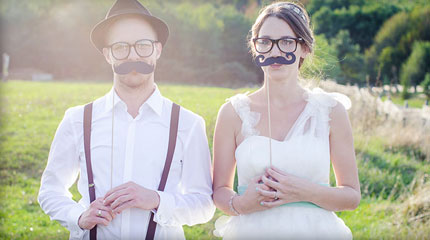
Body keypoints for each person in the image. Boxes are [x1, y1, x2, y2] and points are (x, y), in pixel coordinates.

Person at [38, 0, 215, 239]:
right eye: (121, 47)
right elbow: (50, 189)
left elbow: (203, 205)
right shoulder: (77, 119)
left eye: (143, 45)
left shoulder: (189, 123)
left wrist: (156, 200)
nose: (132, 55)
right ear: (108, 54)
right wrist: (78, 217)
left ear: (158, 50)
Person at [212, 2, 360, 239]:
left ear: (304, 48)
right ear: (255, 48)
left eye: (287, 42)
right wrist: (241, 204)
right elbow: (219, 190)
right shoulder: (232, 113)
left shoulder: (331, 111)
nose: (275, 52)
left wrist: (303, 191)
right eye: (265, 42)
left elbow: (352, 196)